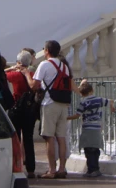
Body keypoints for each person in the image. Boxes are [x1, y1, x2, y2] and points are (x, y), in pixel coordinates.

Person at [26, 39, 78, 179]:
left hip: (49, 103)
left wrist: (26, 74)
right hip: (63, 104)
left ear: (46, 51)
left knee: (49, 137)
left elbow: (34, 86)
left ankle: (52, 170)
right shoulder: (64, 66)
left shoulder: (44, 64)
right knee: (61, 137)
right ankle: (62, 168)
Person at [68, 79, 115, 177]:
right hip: (97, 127)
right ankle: (96, 169)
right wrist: (112, 107)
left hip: (87, 128)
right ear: (92, 90)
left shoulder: (83, 102)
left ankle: (91, 170)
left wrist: (66, 118)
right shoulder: (99, 99)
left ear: (82, 94)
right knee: (95, 149)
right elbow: (110, 101)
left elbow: (77, 115)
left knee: (88, 149)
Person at [6, 50, 37, 177]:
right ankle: (31, 169)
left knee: (17, 139)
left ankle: (17, 166)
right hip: (30, 110)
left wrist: (12, 67)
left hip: (16, 108)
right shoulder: (32, 74)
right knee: (29, 139)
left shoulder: (14, 75)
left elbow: (1, 75)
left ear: (18, 62)